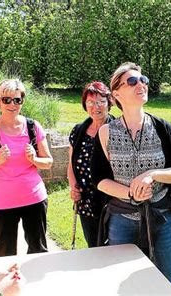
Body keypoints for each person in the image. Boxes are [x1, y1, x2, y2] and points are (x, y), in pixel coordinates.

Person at [91, 62, 171, 295]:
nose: (141, 84)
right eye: (132, 81)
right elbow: (99, 179)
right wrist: (130, 192)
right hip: (121, 219)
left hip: (160, 217)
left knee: (170, 283)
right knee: (122, 284)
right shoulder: (106, 132)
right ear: (117, 93)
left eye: (143, 80)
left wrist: (153, 175)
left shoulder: (162, 127)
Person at [0, 79, 53, 257]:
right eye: (6, 100)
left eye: (17, 100)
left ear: (22, 101)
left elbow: (49, 162)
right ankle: (6, 286)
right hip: (3, 202)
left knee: (38, 251)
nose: (12, 104)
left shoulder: (32, 127)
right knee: (5, 253)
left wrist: (34, 159)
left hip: (34, 198)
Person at [67, 81, 114, 247]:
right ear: (85, 105)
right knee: (94, 247)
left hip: (113, 202)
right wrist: (74, 187)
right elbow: (71, 165)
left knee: (115, 249)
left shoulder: (118, 129)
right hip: (86, 200)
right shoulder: (78, 131)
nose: (96, 107)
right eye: (91, 102)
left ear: (109, 103)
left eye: (101, 101)